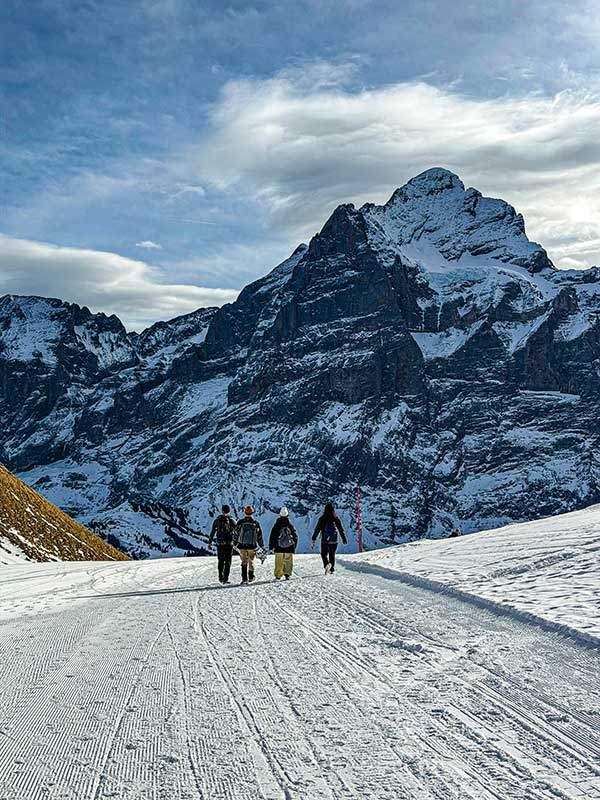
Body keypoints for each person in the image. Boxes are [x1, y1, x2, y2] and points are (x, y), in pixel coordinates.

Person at [311, 502, 347, 574]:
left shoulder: (322, 519)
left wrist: (314, 538)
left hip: (325, 540)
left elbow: (317, 529)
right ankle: (332, 568)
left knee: (323, 554)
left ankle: (326, 564)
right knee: (332, 554)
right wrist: (344, 538)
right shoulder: (336, 518)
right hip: (334, 540)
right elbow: (340, 529)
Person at [207, 504, 236, 584]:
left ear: (222, 511)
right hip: (229, 544)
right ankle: (225, 579)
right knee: (228, 561)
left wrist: (209, 542)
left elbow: (213, 532)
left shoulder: (217, 520)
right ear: (229, 511)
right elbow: (237, 531)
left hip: (220, 543)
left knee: (221, 560)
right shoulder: (232, 520)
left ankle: (220, 577)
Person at [235, 505, 264, 584]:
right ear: (252, 512)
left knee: (244, 561)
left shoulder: (240, 522)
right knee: (251, 561)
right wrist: (261, 545)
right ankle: (251, 577)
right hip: (252, 545)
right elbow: (259, 535)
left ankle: (244, 579)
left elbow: (236, 533)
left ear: (245, 512)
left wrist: (235, 543)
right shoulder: (255, 523)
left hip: (242, 545)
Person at [269, 507, 298, 580]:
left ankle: (278, 575)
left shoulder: (277, 524)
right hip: (289, 546)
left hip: (278, 547)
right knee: (288, 560)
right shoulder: (290, 524)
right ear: (287, 515)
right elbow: (295, 535)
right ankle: (287, 574)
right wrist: (294, 546)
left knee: (279, 561)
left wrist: (271, 546)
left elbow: (272, 536)